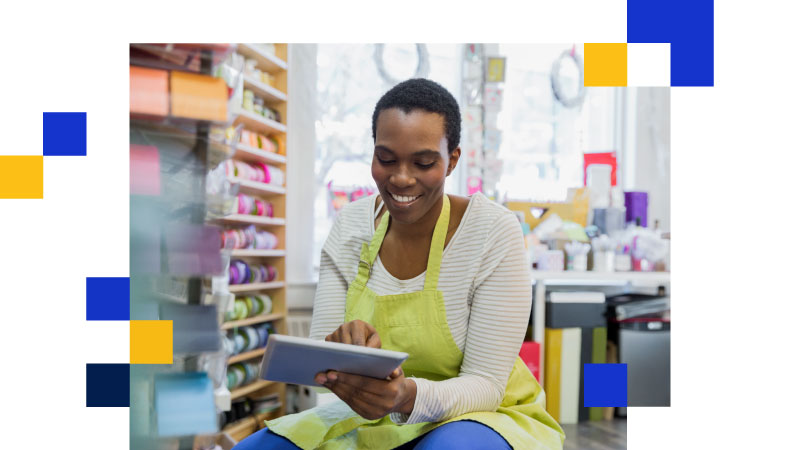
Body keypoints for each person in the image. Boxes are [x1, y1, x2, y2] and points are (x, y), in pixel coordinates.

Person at [234, 79, 564, 449]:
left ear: (452, 159)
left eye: (423, 162)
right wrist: (344, 350)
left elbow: (484, 384)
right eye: (386, 159)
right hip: (370, 414)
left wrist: (405, 397)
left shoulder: (492, 232)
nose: (401, 178)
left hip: (479, 415)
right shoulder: (350, 227)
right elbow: (321, 365)